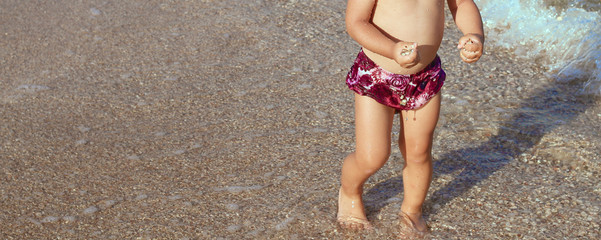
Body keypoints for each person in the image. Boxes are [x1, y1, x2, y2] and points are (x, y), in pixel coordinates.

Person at [337, 0, 484, 237]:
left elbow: (462, 5)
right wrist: (392, 49)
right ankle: (350, 192)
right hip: (376, 74)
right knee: (372, 156)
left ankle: (412, 210)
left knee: (418, 152)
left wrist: (474, 35)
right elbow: (356, 23)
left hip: (424, 78)